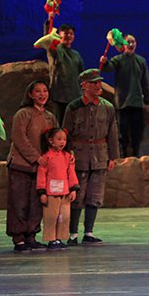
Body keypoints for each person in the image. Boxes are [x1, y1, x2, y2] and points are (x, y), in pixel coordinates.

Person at [63, 69, 120, 246]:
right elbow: (66, 133)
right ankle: (73, 233)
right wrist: (67, 155)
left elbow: (112, 133)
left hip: (100, 155)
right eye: (93, 82)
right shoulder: (73, 107)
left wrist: (113, 157)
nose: (98, 85)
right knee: (77, 195)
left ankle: (89, 232)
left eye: (99, 82)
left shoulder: (107, 107)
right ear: (84, 85)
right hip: (79, 155)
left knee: (95, 195)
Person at [6, 80, 59, 252]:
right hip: (21, 165)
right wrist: (36, 158)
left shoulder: (50, 117)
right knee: (19, 202)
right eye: (38, 91)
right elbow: (19, 138)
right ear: (30, 94)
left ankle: (31, 236)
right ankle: (19, 238)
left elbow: (56, 139)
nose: (42, 94)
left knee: (36, 204)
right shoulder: (23, 114)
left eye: (45, 91)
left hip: (41, 168)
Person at [100, 33, 149, 157]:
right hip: (122, 102)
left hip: (137, 103)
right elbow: (108, 68)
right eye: (128, 42)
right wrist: (105, 62)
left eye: (133, 42)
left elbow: (146, 82)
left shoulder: (141, 61)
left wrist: (148, 100)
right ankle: (123, 155)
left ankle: (135, 155)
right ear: (123, 44)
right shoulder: (118, 59)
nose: (131, 44)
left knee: (137, 132)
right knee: (123, 131)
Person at [37, 128, 79, 251]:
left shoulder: (67, 157)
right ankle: (52, 239)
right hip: (51, 193)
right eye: (59, 139)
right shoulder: (46, 157)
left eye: (64, 139)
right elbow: (41, 175)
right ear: (51, 141)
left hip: (65, 193)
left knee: (64, 217)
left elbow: (71, 173)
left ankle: (60, 238)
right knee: (51, 217)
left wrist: (73, 189)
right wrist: (42, 192)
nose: (62, 142)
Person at [42, 17, 84, 124]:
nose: (68, 35)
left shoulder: (76, 54)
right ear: (59, 34)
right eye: (65, 33)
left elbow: (81, 74)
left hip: (75, 94)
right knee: (59, 124)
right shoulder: (55, 49)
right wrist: (49, 20)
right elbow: (48, 38)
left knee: (73, 124)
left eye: (71, 33)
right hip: (59, 94)